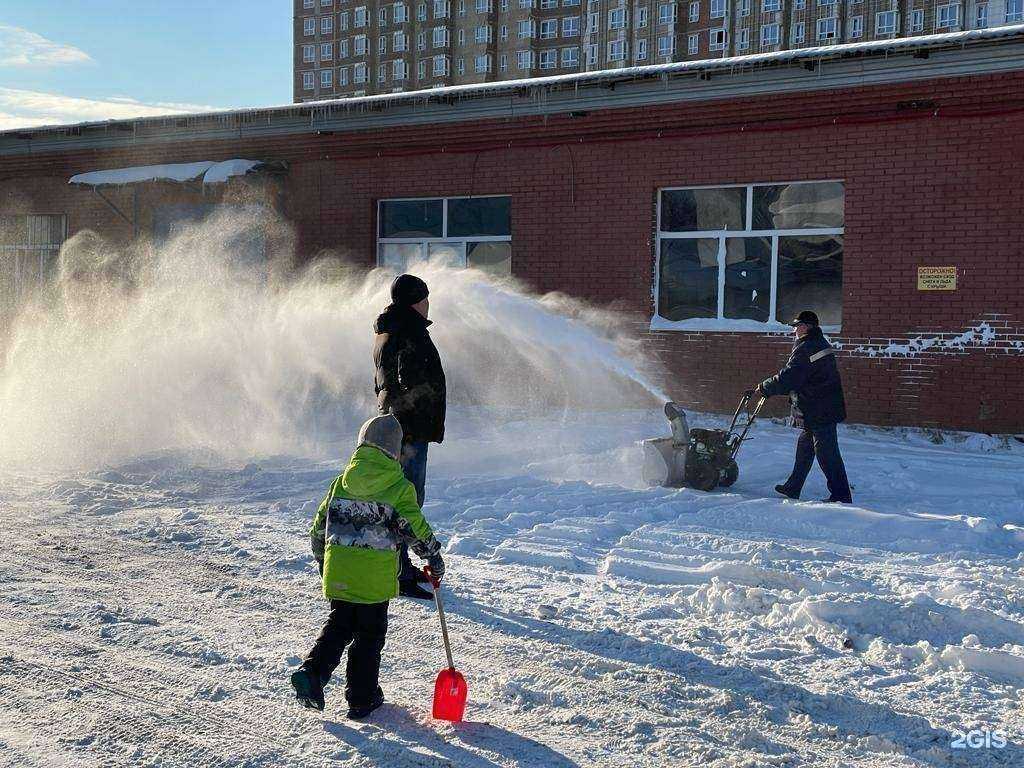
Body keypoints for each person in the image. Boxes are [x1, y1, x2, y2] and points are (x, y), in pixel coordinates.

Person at [291, 414, 446, 718]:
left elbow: (317, 530)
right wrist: (433, 557)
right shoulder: (398, 487)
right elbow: (415, 528)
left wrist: (326, 564)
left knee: (339, 625)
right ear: (394, 450)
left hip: (340, 574)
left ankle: (313, 672)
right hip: (373, 582)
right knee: (368, 638)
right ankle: (362, 697)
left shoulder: (341, 483)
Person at [373, 274, 447, 600]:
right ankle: (399, 573)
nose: (428, 303)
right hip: (408, 433)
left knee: (402, 499)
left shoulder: (389, 330)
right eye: (425, 297)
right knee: (407, 501)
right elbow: (407, 381)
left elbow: (385, 384)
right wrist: (417, 411)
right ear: (415, 300)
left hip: (397, 430)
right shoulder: (409, 333)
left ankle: (399, 564)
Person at [753, 310, 853, 504]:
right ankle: (793, 487)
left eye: (797, 326)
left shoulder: (807, 347)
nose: (795, 330)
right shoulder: (818, 343)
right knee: (805, 448)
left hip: (819, 408)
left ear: (807, 327)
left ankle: (841, 495)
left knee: (827, 454)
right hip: (820, 406)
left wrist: (764, 387)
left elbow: (790, 377)